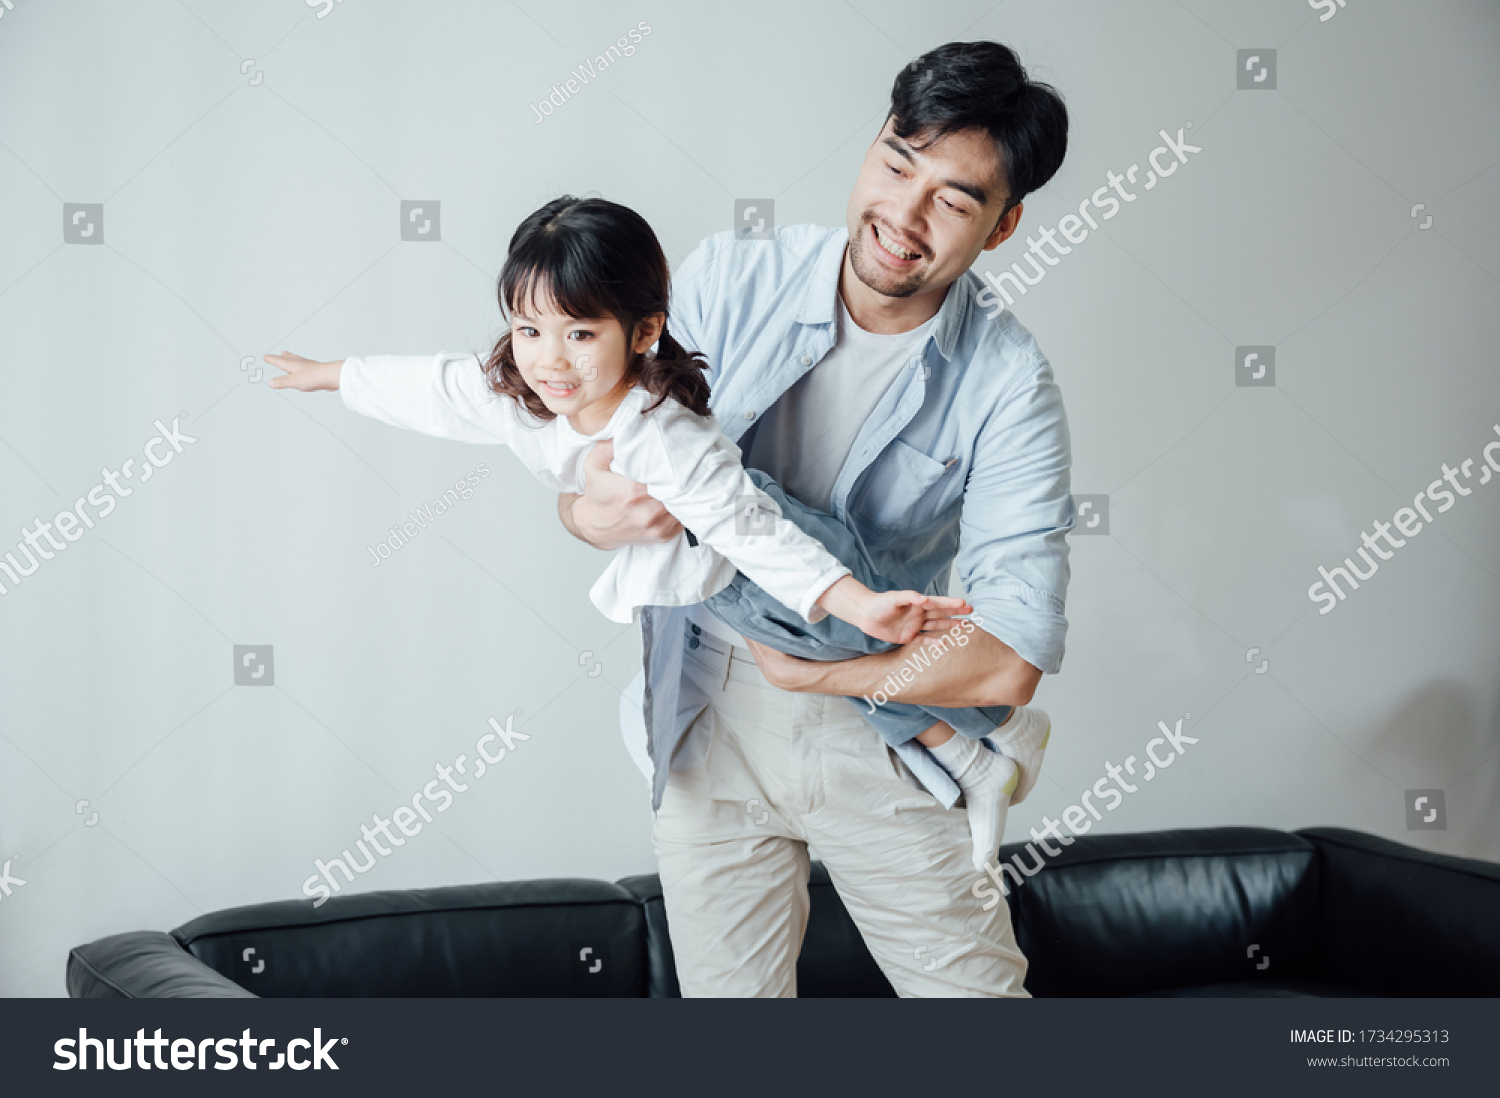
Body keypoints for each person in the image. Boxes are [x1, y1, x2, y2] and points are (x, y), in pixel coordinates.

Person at [264, 194, 1028, 866]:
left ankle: (986, 734)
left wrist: (855, 599)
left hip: (752, 562)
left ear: (643, 331)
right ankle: (970, 756)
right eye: (529, 330)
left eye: (580, 335)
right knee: (843, 654)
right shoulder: (520, 388)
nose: (549, 361)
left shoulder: (663, 435)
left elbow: (748, 528)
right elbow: (437, 386)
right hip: (715, 577)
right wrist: (330, 374)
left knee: (856, 646)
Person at [559, 40, 1073, 996]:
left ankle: (966, 753)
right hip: (700, 710)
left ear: (1000, 228)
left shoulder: (1008, 383)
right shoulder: (727, 282)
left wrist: (842, 676)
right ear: (873, 145)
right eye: (896, 161)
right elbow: (597, 476)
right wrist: (589, 514)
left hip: (872, 723)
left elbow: (1010, 656)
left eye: (955, 200)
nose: (904, 216)